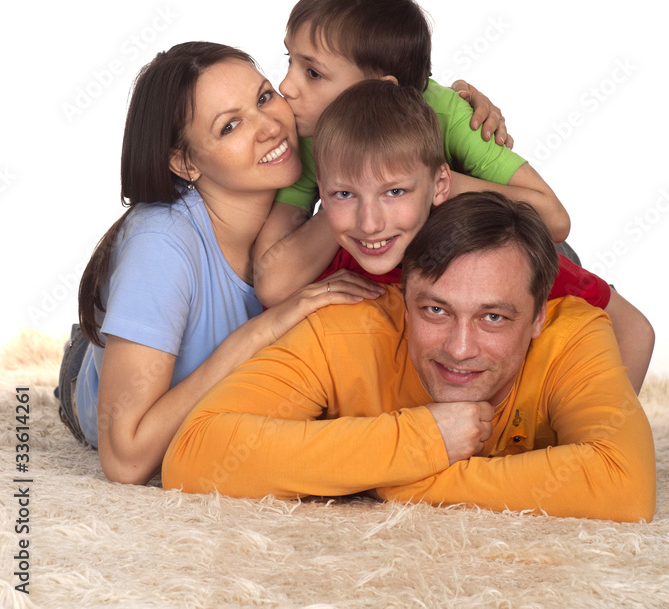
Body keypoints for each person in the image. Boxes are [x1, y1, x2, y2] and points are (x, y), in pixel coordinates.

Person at [162, 191, 656, 523]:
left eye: (493, 319)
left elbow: (626, 485)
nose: (460, 350)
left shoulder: (571, 331)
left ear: (537, 319)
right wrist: (420, 438)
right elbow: (195, 454)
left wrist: (407, 481)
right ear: (402, 293)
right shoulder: (348, 325)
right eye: (436, 309)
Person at [58, 42, 384, 485]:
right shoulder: (161, 247)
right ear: (186, 162)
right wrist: (262, 330)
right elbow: (125, 460)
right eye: (230, 126)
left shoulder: (314, 157)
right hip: (96, 385)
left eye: (265, 97)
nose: (270, 127)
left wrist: (465, 111)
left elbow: (394, 110)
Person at [312, 80, 654, 391]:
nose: (369, 223)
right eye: (344, 195)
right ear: (321, 196)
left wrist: (610, 428)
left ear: (440, 185)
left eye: (395, 192)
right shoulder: (332, 265)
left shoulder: (494, 256)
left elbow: (636, 330)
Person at [253, 0, 571, 306]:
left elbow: (555, 220)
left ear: (383, 88)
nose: (285, 87)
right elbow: (273, 282)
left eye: (313, 73)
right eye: (291, 61)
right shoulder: (311, 131)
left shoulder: (451, 116)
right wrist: (347, 195)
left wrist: (427, 180)